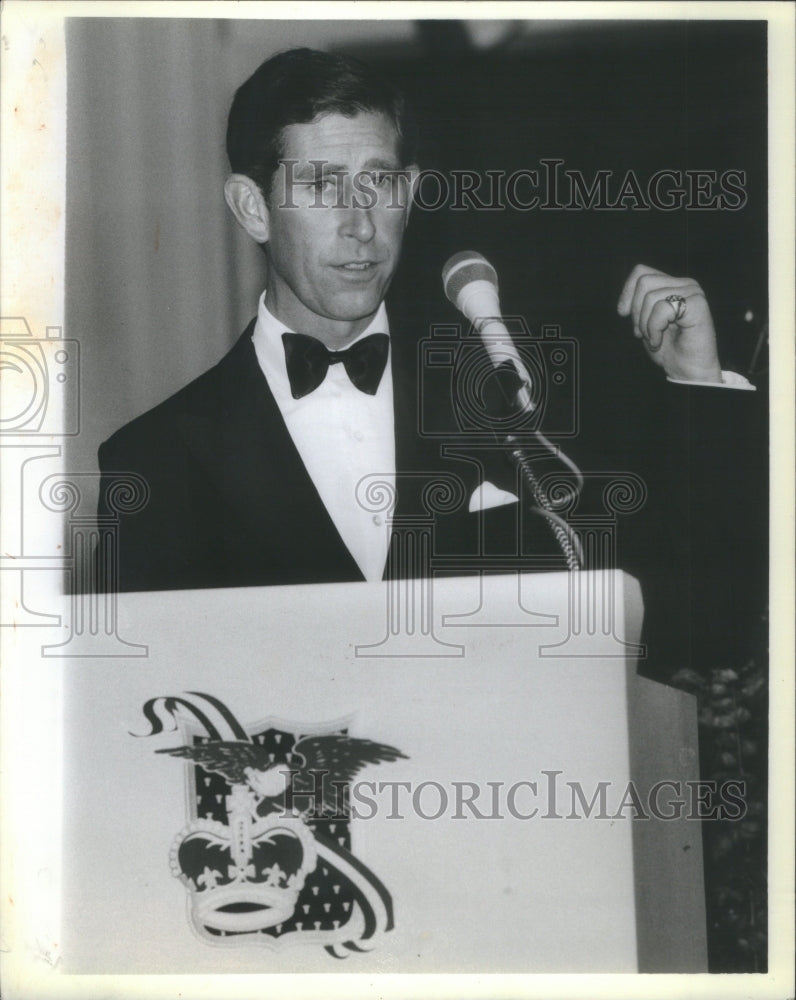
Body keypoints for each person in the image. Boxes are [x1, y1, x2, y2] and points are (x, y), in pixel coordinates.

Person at [97, 48, 764, 676]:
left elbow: (705, 629)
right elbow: (147, 730)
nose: (361, 223)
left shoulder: (514, 399)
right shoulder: (156, 462)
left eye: (379, 182)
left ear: (409, 193)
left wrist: (698, 383)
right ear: (253, 208)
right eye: (323, 186)